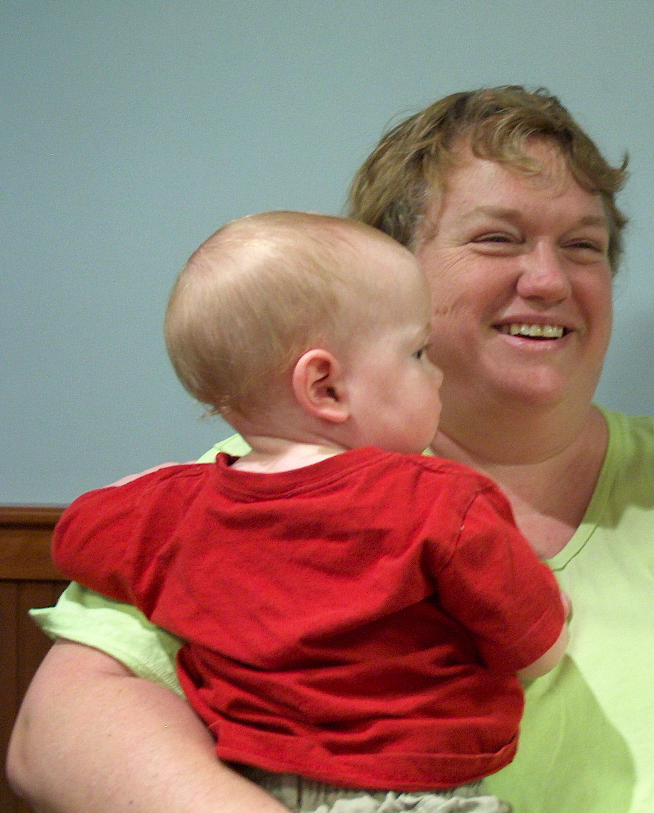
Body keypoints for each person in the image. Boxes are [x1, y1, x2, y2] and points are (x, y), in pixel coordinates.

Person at [6, 86, 654, 813]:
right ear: (392, 274)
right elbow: (62, 734)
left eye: (581, 246)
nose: (547, 279)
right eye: (498, 239)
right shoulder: (261, 486)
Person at [49, 211, 569, 813]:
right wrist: (556, 603)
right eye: (418, 352)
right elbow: (538, 649)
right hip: (414, 790)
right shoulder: (439, 501)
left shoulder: (169, 510)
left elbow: (75, 535)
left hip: (243, 784)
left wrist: (147, 489)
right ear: (325, 386)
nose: (437, 373)